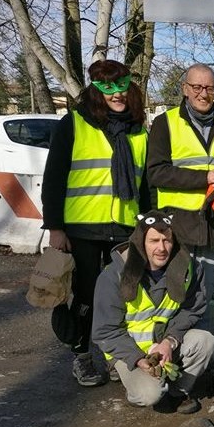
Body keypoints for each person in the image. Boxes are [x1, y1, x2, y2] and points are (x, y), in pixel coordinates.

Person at [41, 59, 150, 387]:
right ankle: (82, 356)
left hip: (125, 227)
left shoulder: (138, 129)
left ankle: (116, 356)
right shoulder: (74, 123)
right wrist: (55, 228)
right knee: (86, 295)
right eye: (107, 87)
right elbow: (54, 178)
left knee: (124, 294)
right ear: (95, 89)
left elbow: (144, 184)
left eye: (122, 86)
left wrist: (147, 225)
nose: (116, 94)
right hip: (83, 227)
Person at [92, 210, 214, 414]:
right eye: (154, 241)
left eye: (167, 240)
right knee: (149, 395)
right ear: (141, 242)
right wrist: (138, 358)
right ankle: (138, 387)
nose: (161, 248)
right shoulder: (113, 275)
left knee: (206, 341)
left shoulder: (188, 269)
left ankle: (177, 391)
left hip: (164, 344)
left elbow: (192, 310)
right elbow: (105, 332)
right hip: (129, 351)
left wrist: (170, 341)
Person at [147, 63, 214, 304]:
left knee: (208, 298)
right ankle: (170, 342)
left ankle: (205, 342)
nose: (203, 94)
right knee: (173, 296)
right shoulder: (166, 123)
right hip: (176, 227)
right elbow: (156, 173)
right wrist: (203, 179)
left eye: (210, 88)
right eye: (196, 87)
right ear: (185, 88)